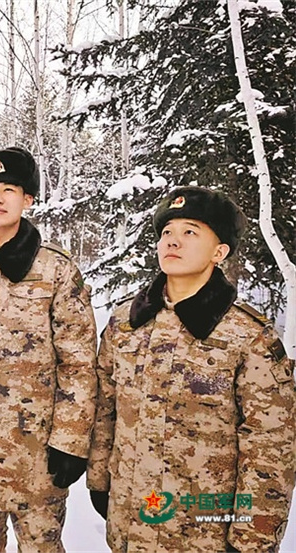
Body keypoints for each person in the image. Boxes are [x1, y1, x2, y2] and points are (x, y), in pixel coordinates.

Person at [86, 186, 296, 552]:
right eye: (167, 231)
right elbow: (106, 407)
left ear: (219, 252)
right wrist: (100, 480)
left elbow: (270, 448)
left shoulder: (248, 336)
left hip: (202, 532)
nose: (173, 241)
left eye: (190, 232)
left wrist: (253, 539)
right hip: (130, 520)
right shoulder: (126, 323)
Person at [0, 146, 98, 552]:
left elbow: (79, 362)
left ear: (28, 199)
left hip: (36, 455)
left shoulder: (55, 269)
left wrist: (70, 441)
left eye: (8, 189)